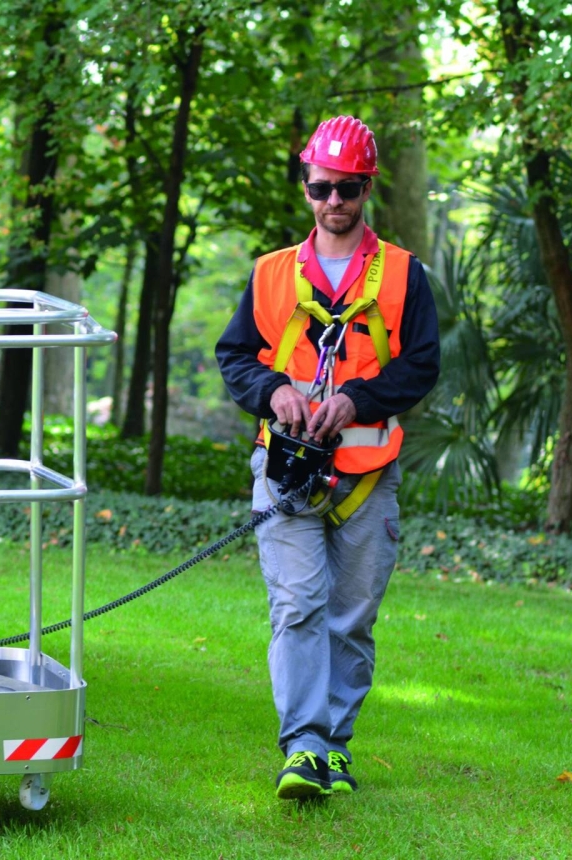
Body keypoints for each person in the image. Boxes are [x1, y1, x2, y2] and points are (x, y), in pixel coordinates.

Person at [214, 115, 440, 800]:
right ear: (307, 189)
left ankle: (334, 748)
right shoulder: (272, 274)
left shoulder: (404, 274)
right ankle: (304, 747)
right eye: (321, 188)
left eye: (347, 189)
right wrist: (275, 389)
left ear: (367, 188)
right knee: (298, 604)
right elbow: (233, 358)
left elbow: (422, 365)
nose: (333, 202)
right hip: (286, 472)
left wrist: (360, 399)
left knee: (351, 616)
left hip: (368, 474)